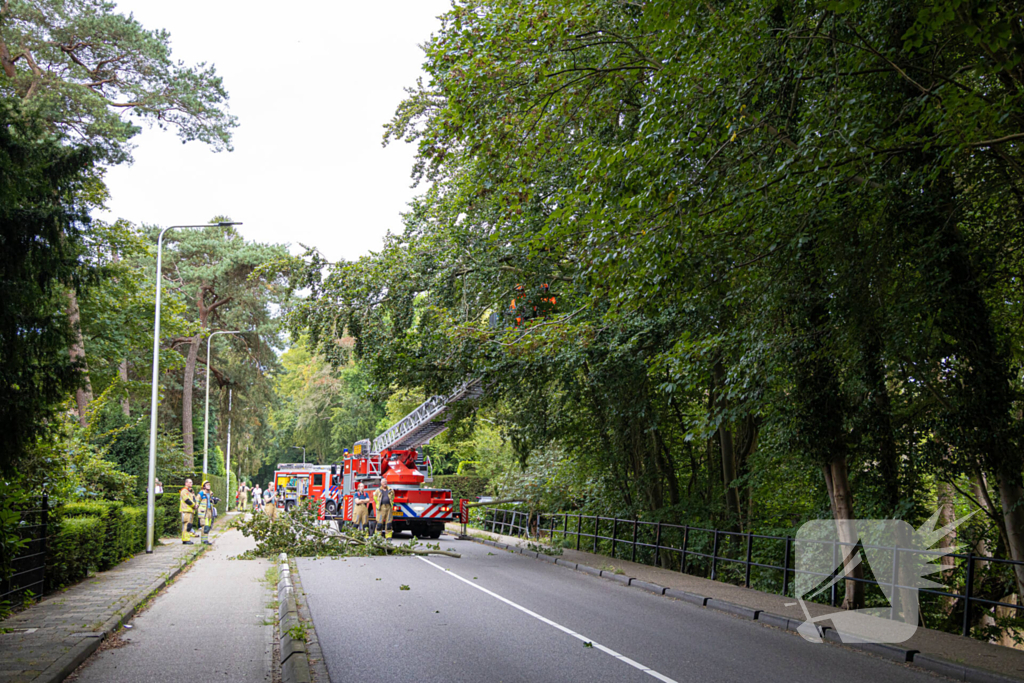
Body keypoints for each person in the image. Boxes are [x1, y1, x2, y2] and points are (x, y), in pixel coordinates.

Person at [179, 478, 196, 544]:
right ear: (186, 483)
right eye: (189, 482)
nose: (191, 483)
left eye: (191, 482)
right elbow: (186, 500)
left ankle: (187, 538)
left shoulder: (190, 491)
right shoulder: (184, 491)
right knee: (186, 525)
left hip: (190, 510)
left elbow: (194, 499)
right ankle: (185, 539)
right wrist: (194, 505)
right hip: (185, 510)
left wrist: (195, 505)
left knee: (189, 526)